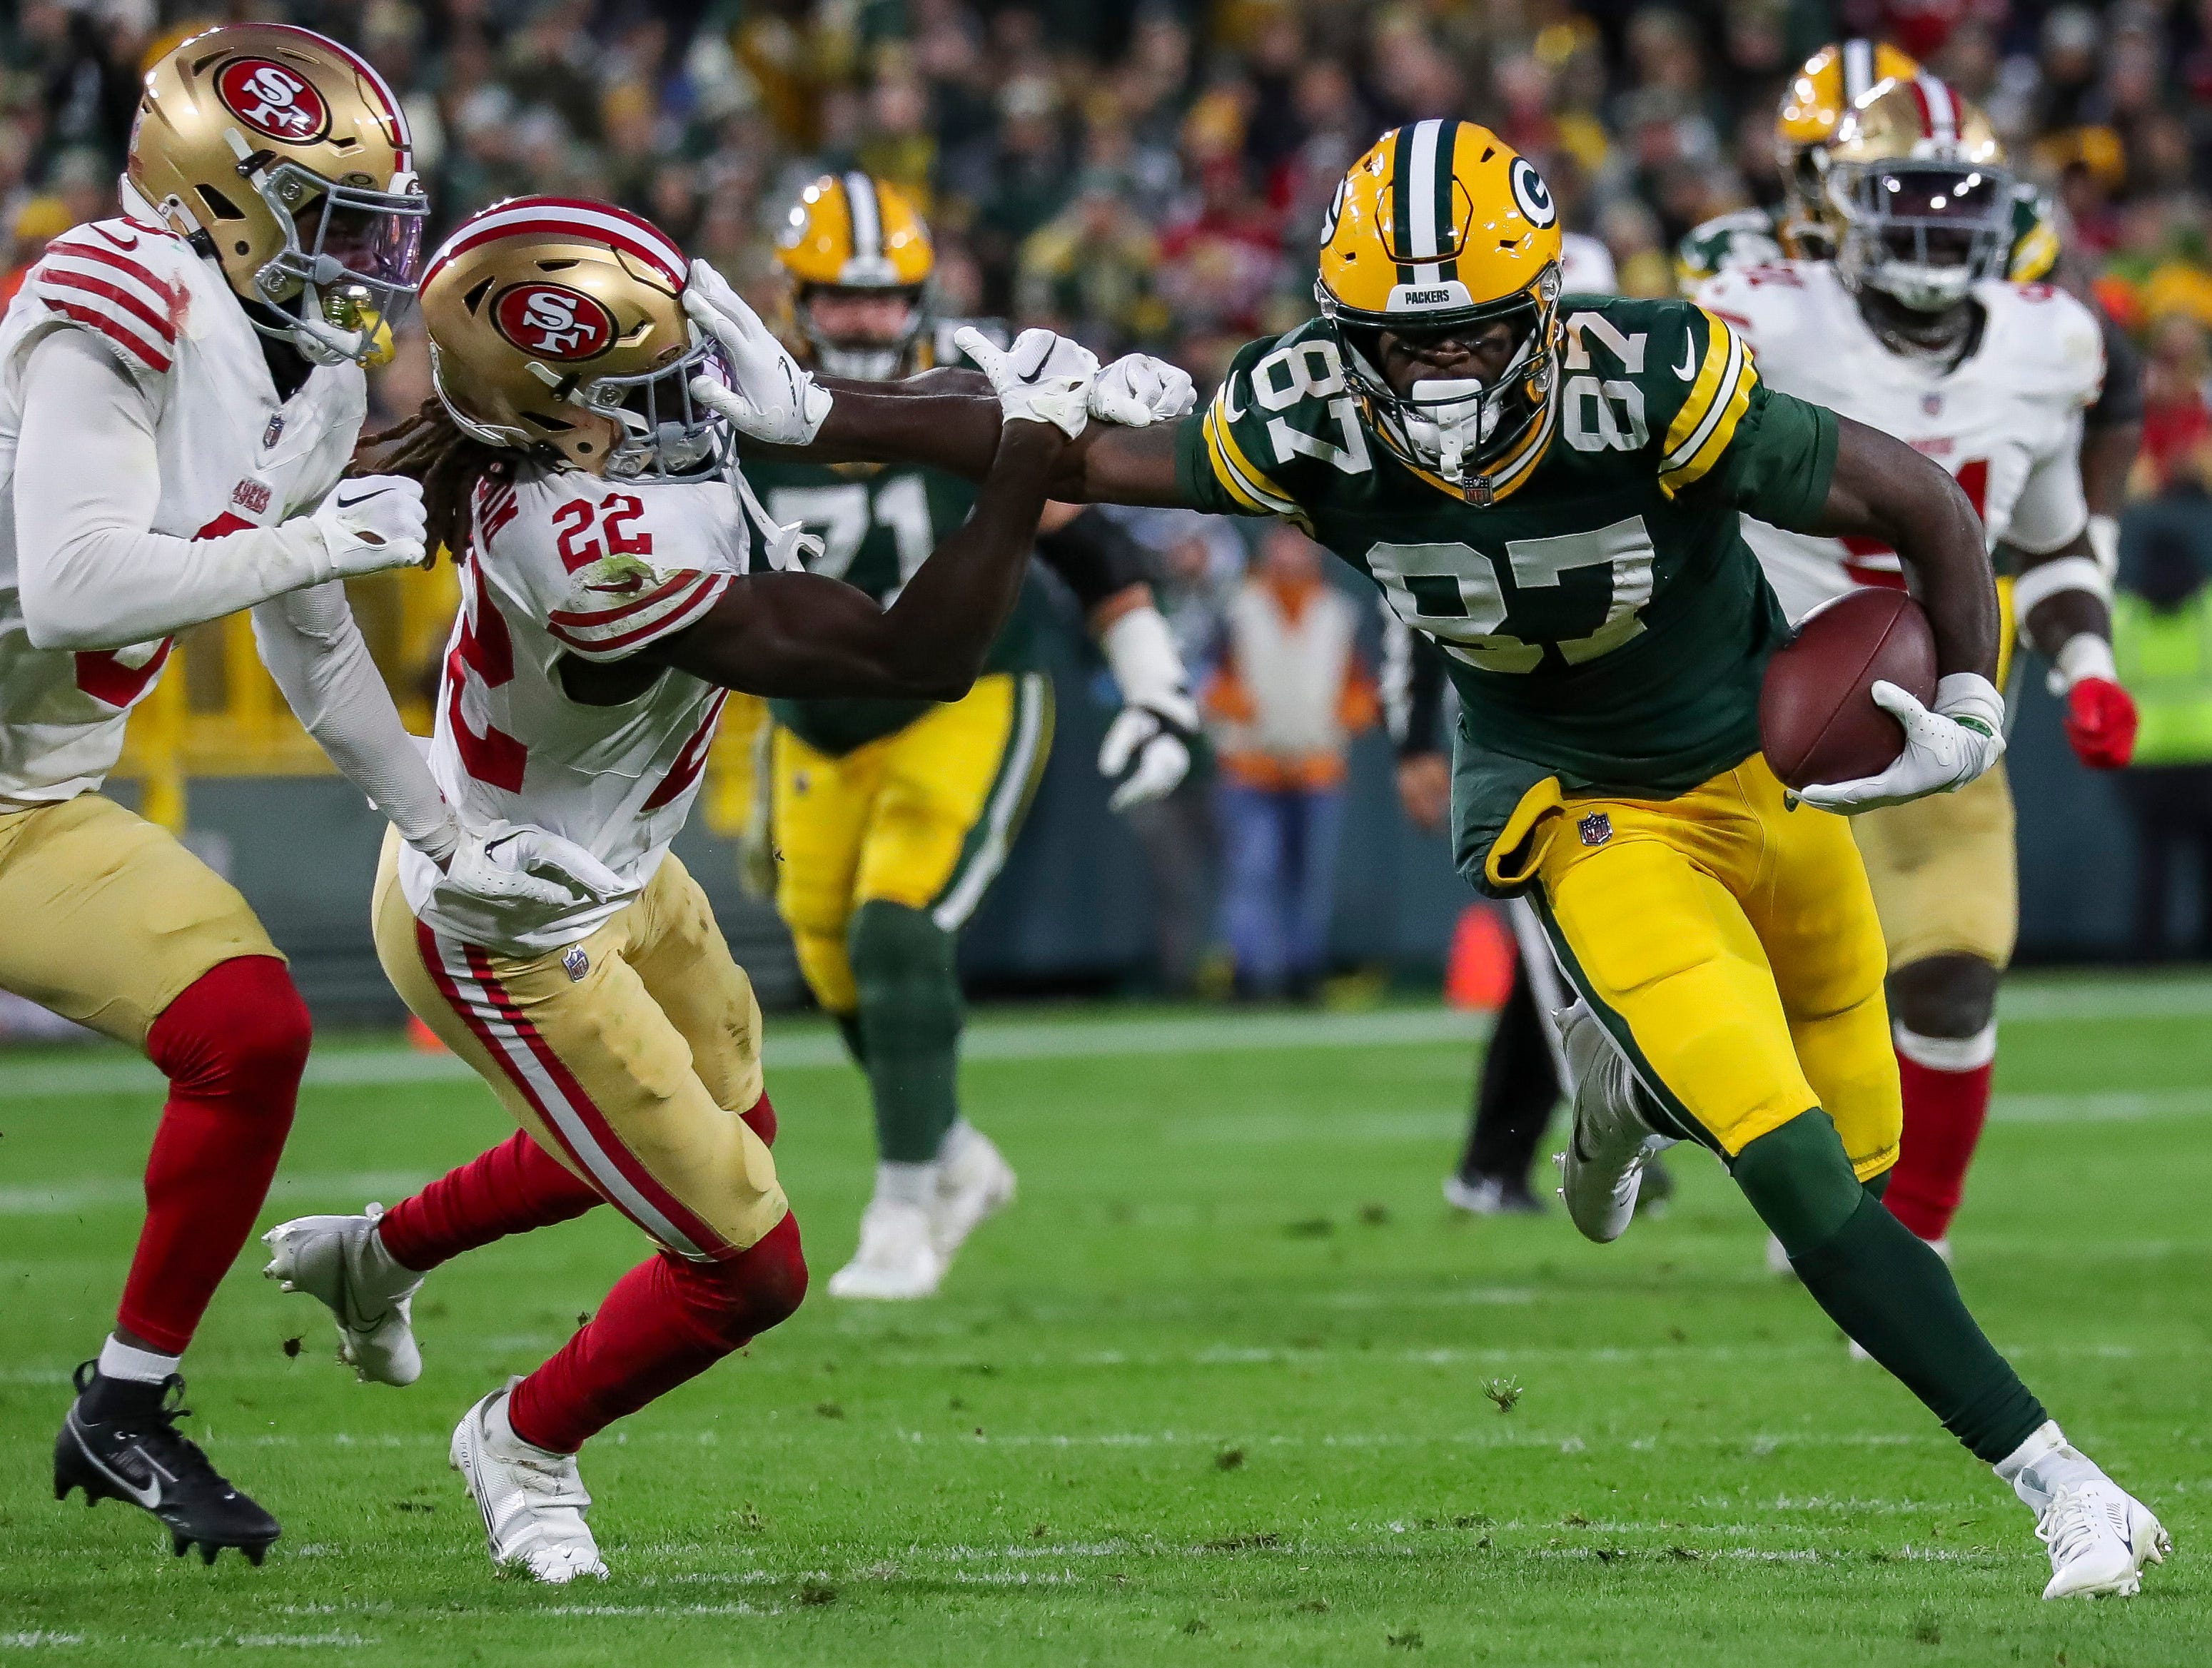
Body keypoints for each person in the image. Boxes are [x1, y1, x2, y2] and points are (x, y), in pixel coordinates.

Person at [724, 118, 2171, 1599]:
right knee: (1795, 1176)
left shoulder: (1649, 376)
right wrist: (804, 405)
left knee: (1861, 1147)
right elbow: (1058, 448)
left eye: (1471, 337)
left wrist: (1976, 702)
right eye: (1397, 345)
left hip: (1760, 768)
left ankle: (1622, 1090)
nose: (1434, 379)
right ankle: (2061, 1482)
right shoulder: (1303, 412)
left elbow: (1921, 501)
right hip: (1579, 801)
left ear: (1540, 311)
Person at [260, 196, 1179, 1582]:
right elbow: (906, 656)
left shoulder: (595, 430)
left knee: (717, 1128)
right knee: (748, 1258)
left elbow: (815, 419)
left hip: (614, 864)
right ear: (561, 408)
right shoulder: (587, 543)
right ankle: (522, 1435)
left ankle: (380, 1254)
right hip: (511, 924)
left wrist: (1001, 404)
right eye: (647, 382)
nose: (685, 394)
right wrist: (1028, 446)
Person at [6, 24, 606, 1567]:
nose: (367, 260)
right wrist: (317, 541)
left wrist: (441, 824)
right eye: (334, 217)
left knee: (249, 1033)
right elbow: (75, 586)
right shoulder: (110, 296)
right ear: (221, 190)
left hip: (31, 800)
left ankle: (123, 1401)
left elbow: (308, 633)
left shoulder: (316, 370)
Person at [1700, 76, 2139, 1265]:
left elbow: (2044, 537)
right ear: (1841, 206)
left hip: (1939, 702)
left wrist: (2084, 661)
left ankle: (1913, 1241)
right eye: (1906, 198)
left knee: (1948, 979)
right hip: (1756, 692)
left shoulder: (2046, 344)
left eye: (1958, 202)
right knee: (1755, 994)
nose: (1935, 226)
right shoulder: (1761, 314)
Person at [744, 173, 1199, 1300]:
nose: (860, 321)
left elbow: (1081, 542)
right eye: (836, 300)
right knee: (830, 960)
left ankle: (904, 1204)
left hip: (965, 697)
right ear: (793, 296)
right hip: (813, 718)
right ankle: (951, 1155)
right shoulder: (733, 386)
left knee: (898, 932)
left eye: (881, 296)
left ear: (919, 292)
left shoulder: (983, 378)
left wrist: (1154, 683)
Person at [1206, 522, 1376, 999]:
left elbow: (1358, 687)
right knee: (1252, 872)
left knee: (1310, 877)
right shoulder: (1238, 609)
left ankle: (1303, 973)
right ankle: (1247, 973)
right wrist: (1243, 722)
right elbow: (1214, 682)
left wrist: (1336, 725)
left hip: (1317, 766)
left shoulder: (1337, 613)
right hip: (1251, 765)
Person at [2112, 526, 2212, 957]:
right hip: (2203, 749)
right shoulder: (2207, 609)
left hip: (2147, 754)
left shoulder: (2124, 614)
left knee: (2153, 862)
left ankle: (2149, 949)